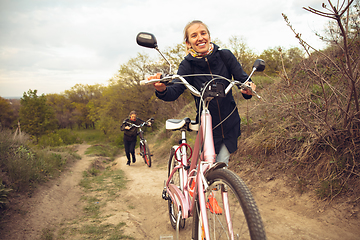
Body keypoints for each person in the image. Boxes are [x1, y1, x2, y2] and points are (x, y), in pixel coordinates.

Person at [148, 20, 256, 166]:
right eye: (194, 36)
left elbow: (243, 80)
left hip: (229, 121)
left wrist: (248, 88)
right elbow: (174, 90)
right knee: (206, 168)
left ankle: (218, 186)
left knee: (221, 164)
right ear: (188, 43)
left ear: (209, 37)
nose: (200, 38)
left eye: (203, 33)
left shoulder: (225, 56)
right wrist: (161, 89)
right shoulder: (187, 64)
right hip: (206, 125)